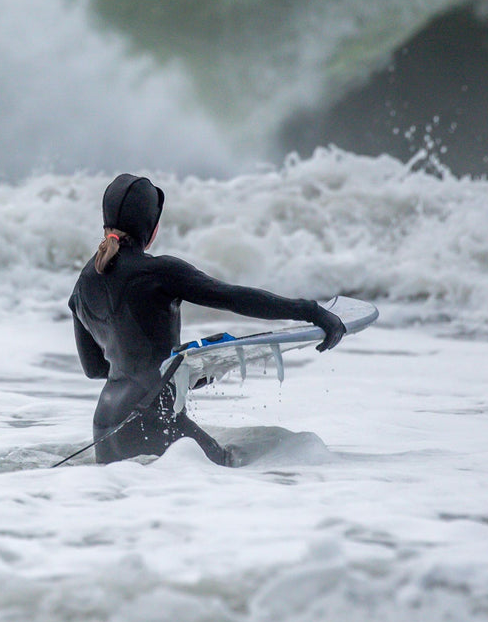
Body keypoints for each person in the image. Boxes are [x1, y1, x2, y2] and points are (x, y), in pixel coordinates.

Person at [68, 173, 346, 465]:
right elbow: (233, 297)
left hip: (106, 427)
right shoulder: (158, 273)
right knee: (233, 472)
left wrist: (188, 371)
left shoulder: (82, 286)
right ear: (150, 226)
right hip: (152, 418)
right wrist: (310, 311)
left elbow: (95, 369)